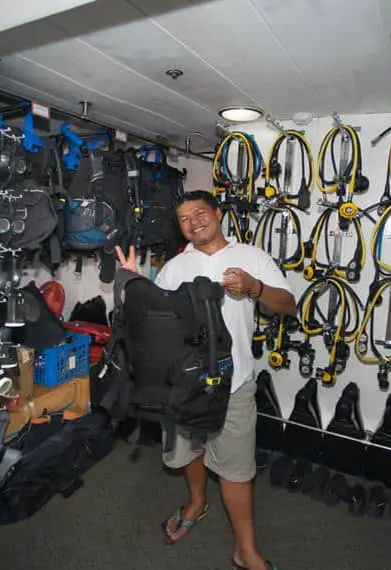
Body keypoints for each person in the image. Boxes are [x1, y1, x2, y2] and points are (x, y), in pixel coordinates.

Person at [115, 190, 296, 570]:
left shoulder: (251, 256)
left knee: (235, 469)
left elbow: (288, 304)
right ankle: (197, 503)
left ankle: (245, 551)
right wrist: (133, 286)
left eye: (200, 212)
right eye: (184, 218)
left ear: (217, 214)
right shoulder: (175, 266)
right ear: (180, 227)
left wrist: (254, 287)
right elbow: (154, 320)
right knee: (186, 453)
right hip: (182, 384)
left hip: (234, 383)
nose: (194, 221)